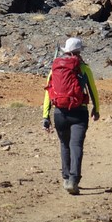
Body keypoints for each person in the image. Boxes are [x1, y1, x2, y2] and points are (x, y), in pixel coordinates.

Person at [42, 37, 100, 195]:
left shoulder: (55, 68)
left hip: (59, 112)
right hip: (79, 112)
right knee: (76, 145)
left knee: (64, 145)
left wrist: (45, 116)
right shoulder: (83, 68)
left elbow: (48, 92)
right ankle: (73, 180)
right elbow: (93, 90)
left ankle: (66, 177)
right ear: (79, 51)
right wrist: (96, 108)